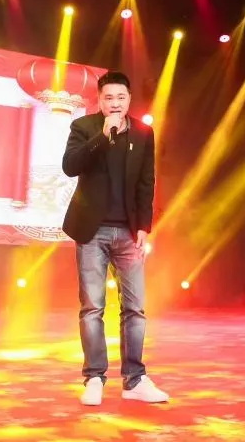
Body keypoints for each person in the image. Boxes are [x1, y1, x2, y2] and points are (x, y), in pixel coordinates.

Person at [61, 70, 169, 406]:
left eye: (121, 97)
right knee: (92, 307)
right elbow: (70, 166)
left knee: (135, 308)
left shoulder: (143, 133)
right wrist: (102, 135)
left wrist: (144, 226)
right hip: (91, 231)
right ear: (100, 100)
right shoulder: (84, 127)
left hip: (128, 232)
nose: (115, 103)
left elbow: (146, 182)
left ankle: (134, 380)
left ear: (129, 99)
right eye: (109, 98)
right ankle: (94, 378)